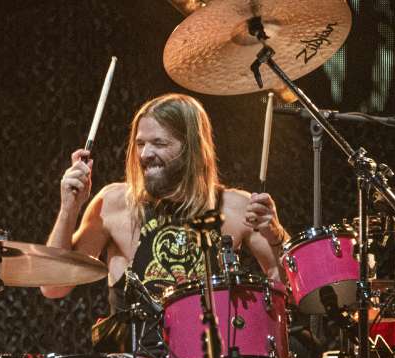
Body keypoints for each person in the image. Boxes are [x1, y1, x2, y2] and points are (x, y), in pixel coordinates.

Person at [43, 93, 289, 312]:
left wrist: (275, 235)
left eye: (159, 143)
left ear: (192, 148)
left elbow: (291, 288)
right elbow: (54, 287)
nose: (145, 154)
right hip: (133, 349)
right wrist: (69, 208)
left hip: (213, 348)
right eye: (140, 144)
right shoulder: (113, 203)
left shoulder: (236, 207)